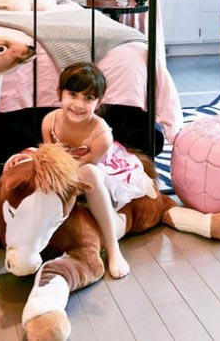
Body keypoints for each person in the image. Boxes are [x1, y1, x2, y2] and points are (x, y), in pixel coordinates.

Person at [41, 62, 155, 279]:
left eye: (88, 98)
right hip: (62, 168)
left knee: (89, 173)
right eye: (72, 94)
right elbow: (51, 156)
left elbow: (84, 165)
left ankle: (113, 248)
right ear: (59, 93)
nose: (78, 104)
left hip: (98, 171)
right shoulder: (49, 122)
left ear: (99, 102)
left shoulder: (101, 134)